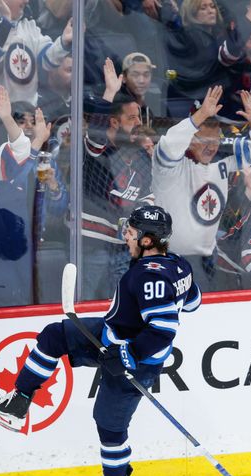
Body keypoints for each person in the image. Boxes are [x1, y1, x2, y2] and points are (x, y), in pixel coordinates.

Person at [0, 205, 201, 476]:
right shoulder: (178, 265)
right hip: (113, 337)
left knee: (109, 425)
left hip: (138, 361)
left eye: (132, 233)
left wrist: (128, 356)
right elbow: (193, 302)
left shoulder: (150, 278)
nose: (126, 236)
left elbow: (162, 332)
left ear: (148, 241)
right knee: (54, 336)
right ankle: (19, 400)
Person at [151, 85, 251, 291]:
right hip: (168, 259)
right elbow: (170, 144)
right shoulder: (168, 167)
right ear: (189, 139)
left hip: (208, 260)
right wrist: (202, 114)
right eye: (204, 140)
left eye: (215, 140)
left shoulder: (221, 163)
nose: (212, 146)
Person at [82, 58, 153, 299]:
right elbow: (95, 135)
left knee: (119, 307)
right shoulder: (98, 151)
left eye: (139, 118)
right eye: (132, 118)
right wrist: (110, 93)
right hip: (92, 247)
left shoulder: (142, 155)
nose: (138, 123)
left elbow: (146, 198)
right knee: (88, 307)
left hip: (124, 247)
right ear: (114, 122)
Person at [0, 0, 73, 108]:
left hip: (25, 116)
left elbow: (46, 61)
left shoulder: (27, 25)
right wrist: (7, 21)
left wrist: (63, 42)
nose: (27, 1)